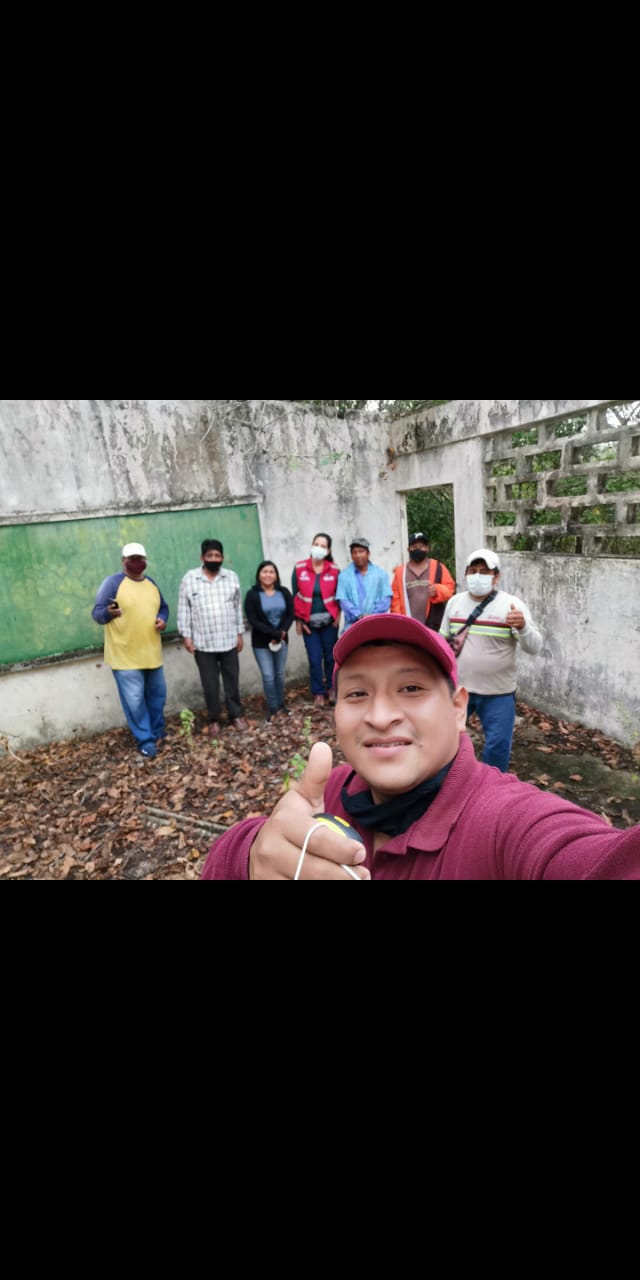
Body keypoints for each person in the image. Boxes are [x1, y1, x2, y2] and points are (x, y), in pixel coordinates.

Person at [201, 614, 640, 880]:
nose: (380, 716)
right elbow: (227, 859)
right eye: (357, 694)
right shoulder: (333, 793)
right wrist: (251, 856)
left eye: (411, 688)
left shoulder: (506, 823)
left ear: (457, 708)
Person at [440, 548, 542, 773]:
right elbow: (442, 642)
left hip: (498, 692)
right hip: (459, 689)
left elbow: (535, 647)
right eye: (473, 571)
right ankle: (447, 780)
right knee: (447, 739)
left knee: (497, 747)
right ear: (466, 574)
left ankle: (490, 786)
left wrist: (523, 627)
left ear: (496, 577)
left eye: (484, 572)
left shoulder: (512, 606)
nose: (477, 576)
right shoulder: (454, 603)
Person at [92, 543, 169, 760]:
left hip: (151, 652)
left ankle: (158, 732)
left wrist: (162, 619)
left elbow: (163, 607)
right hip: (124, 655)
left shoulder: (151, 583)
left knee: (158, 696)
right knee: (134, 702)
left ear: (145, 560)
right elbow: (97, 613)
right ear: (123, 560)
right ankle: (145, 741)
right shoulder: (112, 583)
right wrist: (108, 613)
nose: (136, 563)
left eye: (140, 558)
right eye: (131, 558)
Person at [177, 540, 248, 737]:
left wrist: (239, 633)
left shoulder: (231, 577)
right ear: (202, 557)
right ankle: (214, 718)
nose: (214, 559)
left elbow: (237, 607)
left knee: (232, 680)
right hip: (203, 643)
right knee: (210, 684)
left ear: (222, 558)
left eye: (217, 556)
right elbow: (184, 609)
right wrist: (186, 636)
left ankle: (235, 714)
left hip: (228, 640)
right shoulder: (190, 579)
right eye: (210, 556)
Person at [292, 533, 341, 710]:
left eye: (323, 546)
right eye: (316, 544)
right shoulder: (300, 568)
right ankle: (318, 692)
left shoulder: (334, 570)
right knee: (314, 659)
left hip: (329, 623)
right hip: (308, 624)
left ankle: (332, 688)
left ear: (328, 550)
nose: (319, 548)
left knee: (330, 657)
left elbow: (339, 595)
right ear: (312, 545)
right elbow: (295, 595)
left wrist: (338, 617)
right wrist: (299, 620)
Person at [245, 562, 295, 723]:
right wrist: (274, 633)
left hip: (281, 640)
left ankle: (280, 704)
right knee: (268, 676)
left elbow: (291, 614)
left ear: (276, 575)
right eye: (264, 571)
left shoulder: (284, 592)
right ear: (259, 575)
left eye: (271, 572)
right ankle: (273, 708)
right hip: (261, 642)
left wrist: (282, 631)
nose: (268, 575)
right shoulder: (252, 595)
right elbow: (253, 619)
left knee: (279, 674)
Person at [391, 532, 455, 631]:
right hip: (408, 626)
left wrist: (437, 590)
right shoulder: (400, 572)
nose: (418, 549)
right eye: (414, 546)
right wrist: (399, 622)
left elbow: (450, 590)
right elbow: (395, 600)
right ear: (408, 549)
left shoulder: (438, 567)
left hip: (433, 625)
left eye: (421, 546)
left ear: (427, 548)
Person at [337, 538, 392, 632]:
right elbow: (343, 600)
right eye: (354, 552)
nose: (358, 555)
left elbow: (386, 598)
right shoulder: (344, 576)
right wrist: (359, 615)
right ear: (351, 555)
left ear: (368, 553)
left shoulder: (381, 574)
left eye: (361, 551)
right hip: (353, 626)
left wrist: (372, 616)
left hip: (376, 624)